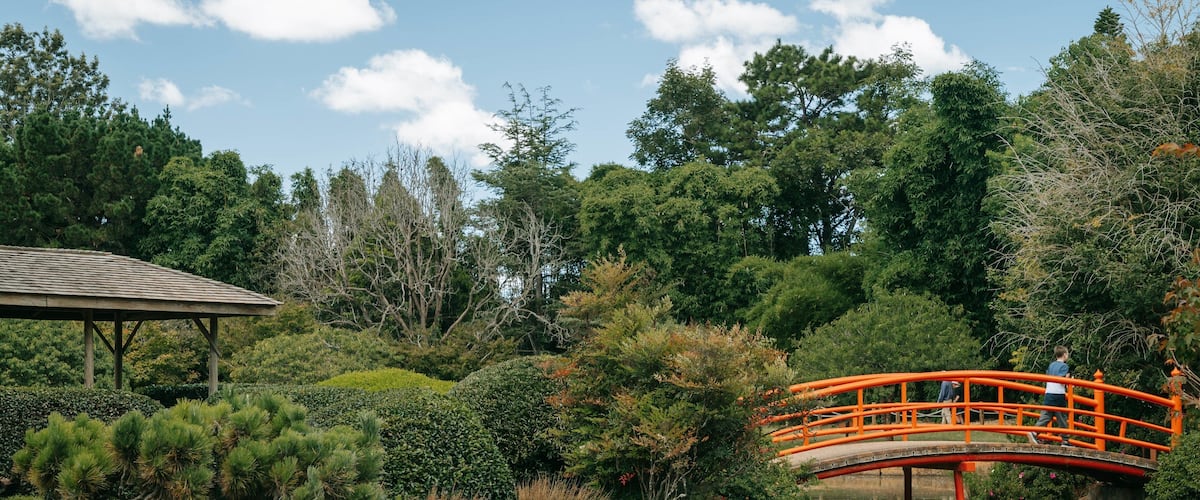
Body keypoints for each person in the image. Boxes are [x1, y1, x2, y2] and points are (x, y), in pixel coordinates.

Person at [1028, 346, 1071, 445]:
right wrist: (1068, 379)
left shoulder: (1051, 365)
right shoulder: (1064, 366)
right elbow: (1061, 381)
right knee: (1062, 417)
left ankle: (1034, 432)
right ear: (1064, 355)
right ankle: (1065, 441)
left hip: (1049, 394)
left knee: (1046, 416)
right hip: (1058, 395)